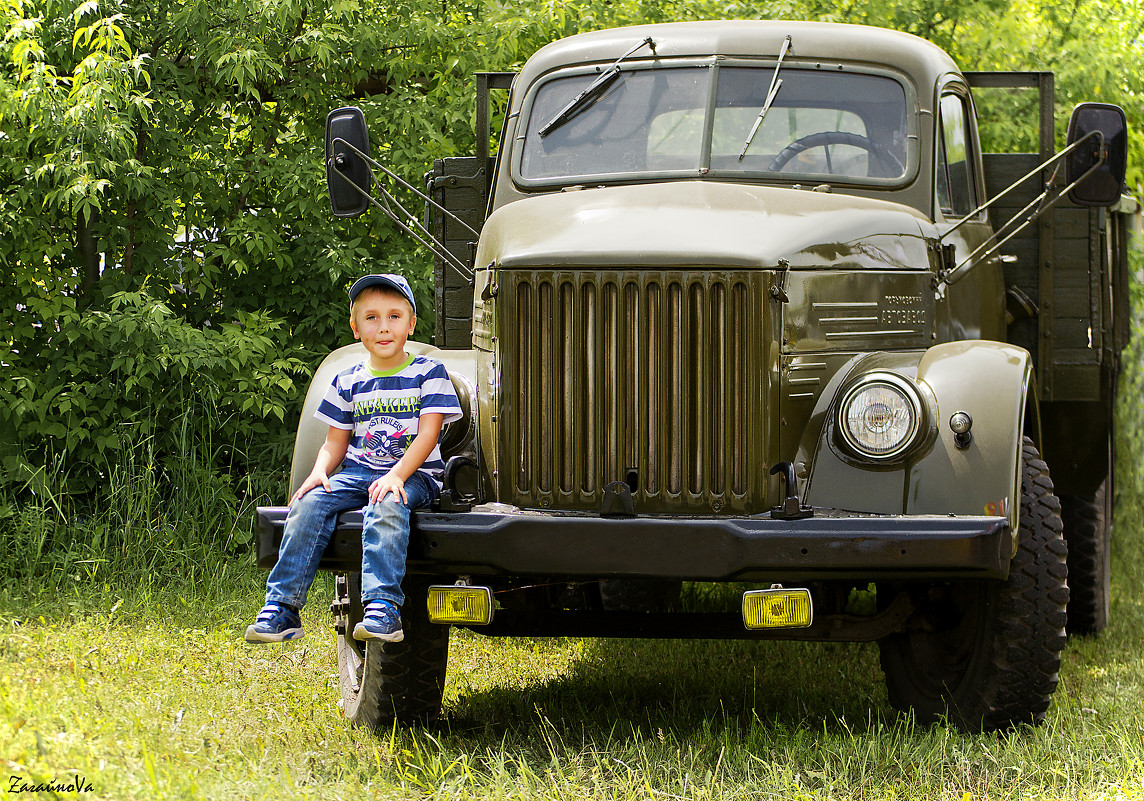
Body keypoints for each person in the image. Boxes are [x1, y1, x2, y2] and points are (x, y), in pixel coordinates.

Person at [245, 273, 461, 644]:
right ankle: (282, 609)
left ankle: (383, 609)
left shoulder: (429, 372)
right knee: (309, 503)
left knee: (387, 503)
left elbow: (428, 435)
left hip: (415, 474)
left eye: (394, 316)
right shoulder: (348, 380)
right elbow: (335, 443)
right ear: (356, 328)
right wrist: (317, 472)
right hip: (360, 470)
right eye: (372, 318)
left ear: (411, 323)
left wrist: (396, 476)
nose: (383, 327)